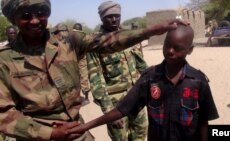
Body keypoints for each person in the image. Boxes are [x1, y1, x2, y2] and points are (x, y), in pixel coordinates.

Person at [0, 0, 187, 140]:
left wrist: (152, 30)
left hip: (76, 131)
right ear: (13, 19)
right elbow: (4, 115)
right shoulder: (4, 60)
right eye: (25, 15)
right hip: (38, 135)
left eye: (41, 13)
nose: (34, 20)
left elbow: (107, 41)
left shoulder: (67, 40)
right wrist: (50, 133)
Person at [68, 24, 219, 141]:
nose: (170, 51)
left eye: (177, 48)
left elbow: (203, 123)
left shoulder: (199, 82)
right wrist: (84, 127)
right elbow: (121, 110)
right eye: (167, 45)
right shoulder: (150, 78)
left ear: (190, 49)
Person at [86, 1, 148, 140]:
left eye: (117, 16)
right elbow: (96, 79)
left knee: (140, 136)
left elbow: (142, 66)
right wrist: (108, 111)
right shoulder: (96, 43)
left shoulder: (128, 36)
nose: (114, 19)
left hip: (137, 98)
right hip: (116, 105)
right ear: (102, 18)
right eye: (109, 16)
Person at [72, 23, 91, 106]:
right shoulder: (85, 37)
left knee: (73, 78)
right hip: (82, 58)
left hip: (71, 58)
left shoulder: (69, 36)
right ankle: (86, 98)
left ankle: (76, 98)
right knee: (84, 78)